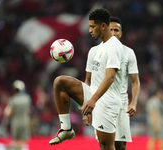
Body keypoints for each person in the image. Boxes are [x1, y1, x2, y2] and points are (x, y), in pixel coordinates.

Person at [49, 8, 125, 150]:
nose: (89, 30)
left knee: (106, 146)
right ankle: (66, 129)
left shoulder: (114, 47)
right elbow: (89, 80)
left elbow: (110, 77)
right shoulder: (94, 50)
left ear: (103, 26)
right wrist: (85, 110)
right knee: (60, 82)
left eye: (92, 26)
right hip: (93, 96)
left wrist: (93, 100)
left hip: (107, 101)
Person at [83, 16, 140, 150]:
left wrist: (134, 102)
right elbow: (88, 80)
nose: (113, 33)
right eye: (111, 29)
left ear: (121, 33)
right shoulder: (94, 52)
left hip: (121, 104)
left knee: (120, 145)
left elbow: (135, 81)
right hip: (100, 103)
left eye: (117, 30)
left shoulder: (128, 53)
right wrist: (85, 107)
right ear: (105, 29)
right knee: (104, 144)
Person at [4, 80, 31, 150]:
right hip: (25, 122)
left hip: (15, 123)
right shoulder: (27, 99)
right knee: (24, 141)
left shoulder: (12, 100)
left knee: (15, 141)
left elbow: (9, 113)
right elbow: (29, 110)